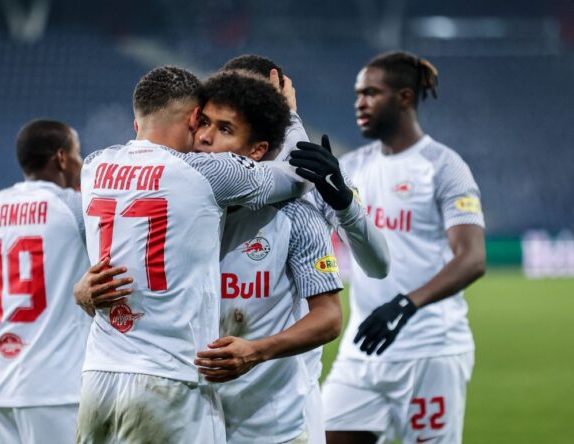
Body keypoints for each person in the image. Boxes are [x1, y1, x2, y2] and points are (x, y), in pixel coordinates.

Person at [76, 66, 308, 443]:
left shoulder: (94, 166)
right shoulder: (206, 172)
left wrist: (81, 290)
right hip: (169, 381)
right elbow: (298, 177)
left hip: (98, 376)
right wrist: (291, 116)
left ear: (137, 123)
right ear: (194, 118)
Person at [312, 51, 486, 444]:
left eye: (371, 93)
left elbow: (472, 258)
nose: (359, 103)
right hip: (363, 348)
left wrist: (406, 304)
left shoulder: (444, 166)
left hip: (430, 350)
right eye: (358, 94)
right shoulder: (351, 166)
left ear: (404, 97)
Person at [226, 54, 390, 444]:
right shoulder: (204, 171)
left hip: (287, 402)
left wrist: (344, 204)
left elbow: (379, 264)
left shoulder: (315, 171)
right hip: (207, 395)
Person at [0, 120, 127, 444]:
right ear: (61, 158)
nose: (81, 162)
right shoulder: (75, 208)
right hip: (59, 389)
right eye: (77, 153)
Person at [190, 71, 343, 444]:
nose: (205, 137)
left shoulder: (295, 217)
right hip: (190, 419)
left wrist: (256, 352)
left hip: (270, 426)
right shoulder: (175, 207)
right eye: (204, 122)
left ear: (257, 151)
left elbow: (329, 318)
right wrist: (87, 287)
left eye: (225, 129)